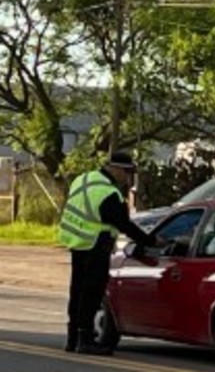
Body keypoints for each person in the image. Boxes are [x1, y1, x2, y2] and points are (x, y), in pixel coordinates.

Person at [57, 152, 156, 355]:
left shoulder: (83, 179)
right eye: (127, 172)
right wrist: (150, 241)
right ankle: (85, 339)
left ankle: (73, 338)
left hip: (78, 243)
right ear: (117, 169)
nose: (128, 178)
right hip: (96, 245)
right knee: (91, 293)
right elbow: (124, 224)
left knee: (77, 292)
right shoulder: (108, 193)